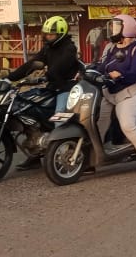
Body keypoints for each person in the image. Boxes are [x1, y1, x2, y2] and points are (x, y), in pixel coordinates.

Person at [81, 13, 136, 174]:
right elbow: (103, 67)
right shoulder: (113, 48)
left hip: (131, 91)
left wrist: (120, 75)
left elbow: (135, 73)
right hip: (111, 91)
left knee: (127, 125)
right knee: (98, 125)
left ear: (126, 29)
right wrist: (86, 71)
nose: (112, 30)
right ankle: (93, 160)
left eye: (116, 27)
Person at [8, 15, 82, 169]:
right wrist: (10, 78)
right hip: (51, 88)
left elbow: (59, 67)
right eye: (46, 34)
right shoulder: (48, 48)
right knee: (28, 113)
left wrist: (46, 76)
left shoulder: (69, 48)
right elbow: (32, 63)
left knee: (59, 119)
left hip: (67, 88)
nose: (47, 37)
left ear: (60, 34)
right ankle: (35, 154)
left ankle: (63, 157)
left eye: (51, 34)